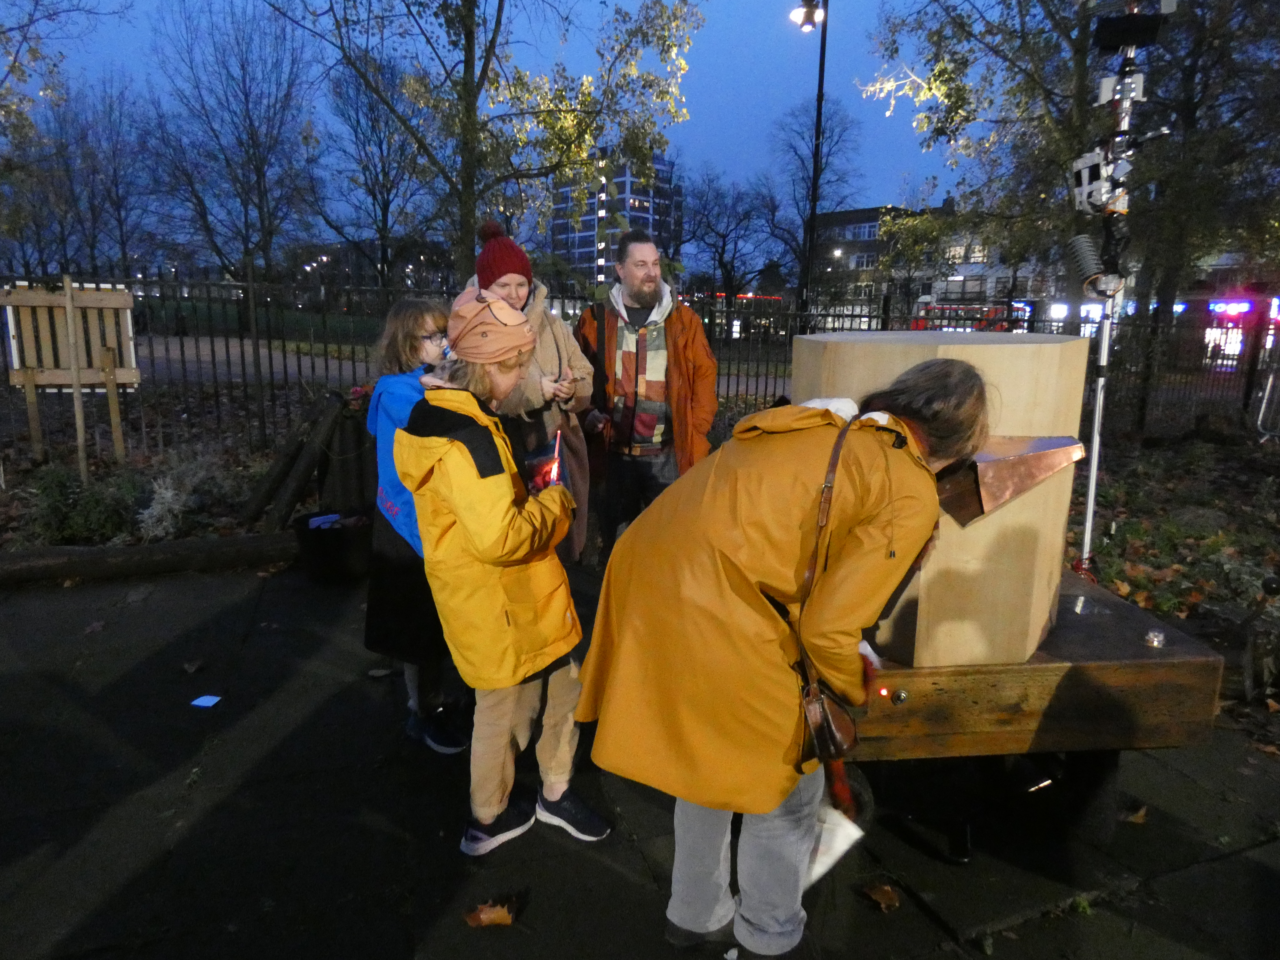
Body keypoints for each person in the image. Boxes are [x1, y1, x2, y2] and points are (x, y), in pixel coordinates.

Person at [576, 360, 990, 958]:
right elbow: (829, 630)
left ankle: (693, 915)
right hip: (727, 612)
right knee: (786, 790)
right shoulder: (907, 485)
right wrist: (854, 690)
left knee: (705, 762)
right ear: (960, 446)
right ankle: (770, 938)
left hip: (656, 588)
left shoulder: (811, 425)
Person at [395, 290, 611, 856]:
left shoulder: (437, 415)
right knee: (556, 680)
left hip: (481, 596)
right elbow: (503, 536)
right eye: (515, 366)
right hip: (508, 596)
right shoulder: (472, 437)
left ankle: (492, 810)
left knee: (504, 699)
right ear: (490, 365)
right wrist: (556, 502)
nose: (520, 379)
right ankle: (512, 805)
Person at [364, 298, 468, 754]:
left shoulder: (427, 383)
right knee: (418, 624)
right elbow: (429, 427)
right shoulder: (395, 392)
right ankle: (421, 711)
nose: (443, 343)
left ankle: (433, 702)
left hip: (432, 518)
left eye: (444, 333)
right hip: (406, 524)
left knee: (435, 619)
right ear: (408, 342)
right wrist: (446, 389)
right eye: (432, 336)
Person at [575, 228, 718, 557]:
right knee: (618, 549)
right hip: (614, 458)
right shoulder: (594, 321)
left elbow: (705, 377)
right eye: (641, 265)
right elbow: (576, 377)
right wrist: (586, 413)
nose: (652, 272)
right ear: (620, 269)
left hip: (667, 456)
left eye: (655, 263)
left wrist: (694, 431)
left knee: (668, 547)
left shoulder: (683, 321)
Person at [473, 220, 595, 563]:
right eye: (503, 285)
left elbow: (585, 373)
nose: (514, 294)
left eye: (521, 284)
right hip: (505, 452)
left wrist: (572, 390)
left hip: (557, 450)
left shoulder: (553, 325)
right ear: (485, 285)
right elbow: (480, 390)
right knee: (517, 545)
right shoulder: (473, 328)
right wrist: (536, 390)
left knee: (559, 537)